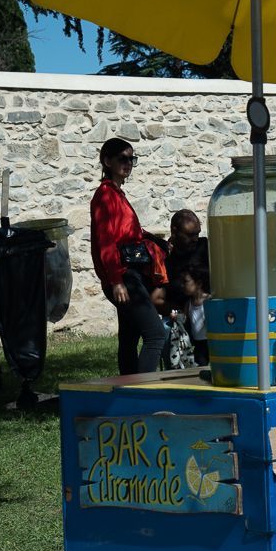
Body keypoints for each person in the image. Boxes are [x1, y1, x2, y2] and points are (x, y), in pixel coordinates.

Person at [91, 138, 168, 375]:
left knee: (129, 337)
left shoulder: (117, 194)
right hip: (124, 277)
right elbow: (106, 242)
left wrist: (158, 242)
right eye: (122, 158)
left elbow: (128, 232)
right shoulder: (105, 196)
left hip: (129, 274)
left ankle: (127, 393)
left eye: (131, 159)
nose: (128, 163)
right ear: (107, 161)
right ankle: (143, 394)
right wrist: (116, 281)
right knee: (155, 335)